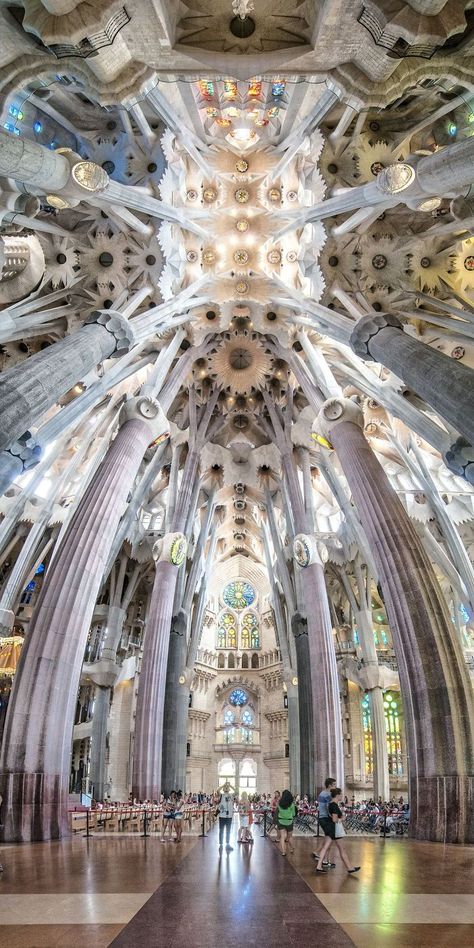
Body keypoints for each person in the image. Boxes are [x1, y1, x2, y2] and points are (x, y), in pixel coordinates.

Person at [314, 788, 360, 874]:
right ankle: (349, 867)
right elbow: (335, 819)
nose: (342, 796)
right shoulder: (334, 805)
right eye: (341, 794)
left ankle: (319, 865)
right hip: (334, 829)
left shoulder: (330, 804)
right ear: (337, 795)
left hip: (330, 828)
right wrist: (342, 818)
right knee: (341, 849)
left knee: (326, 847)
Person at [312, 777, 337, 870]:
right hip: (326, 818)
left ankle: (325, 860)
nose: (335, 786)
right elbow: (329, 807)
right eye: (334, 784)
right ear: (330, 785)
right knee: (328, 842)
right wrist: (334, 817)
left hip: (323, 818)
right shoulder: (327, 795)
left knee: (328, 840)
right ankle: (321, 861)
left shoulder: (322, 793)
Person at [276, 789, 296, 856]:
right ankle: (292, 848)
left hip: (281, 821)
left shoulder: (279, 803)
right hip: (289, 821)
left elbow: (278, 810)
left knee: (282, 837)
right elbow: (293, 814)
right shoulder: (292, 805)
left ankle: (284, 852)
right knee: (290, 837)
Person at [217, 782, 234, 851]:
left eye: (227, 788)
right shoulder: (221, 795)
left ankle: (228, 843)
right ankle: (221, 843)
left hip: (229, 816)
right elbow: (218, 790)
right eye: (225, 788)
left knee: (228, 830)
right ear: (223, 789)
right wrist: (223, 785)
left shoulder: (231, 795)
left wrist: (230, 785)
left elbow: (236, 791)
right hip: (222, 815)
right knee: (221, 830)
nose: (226, 788)